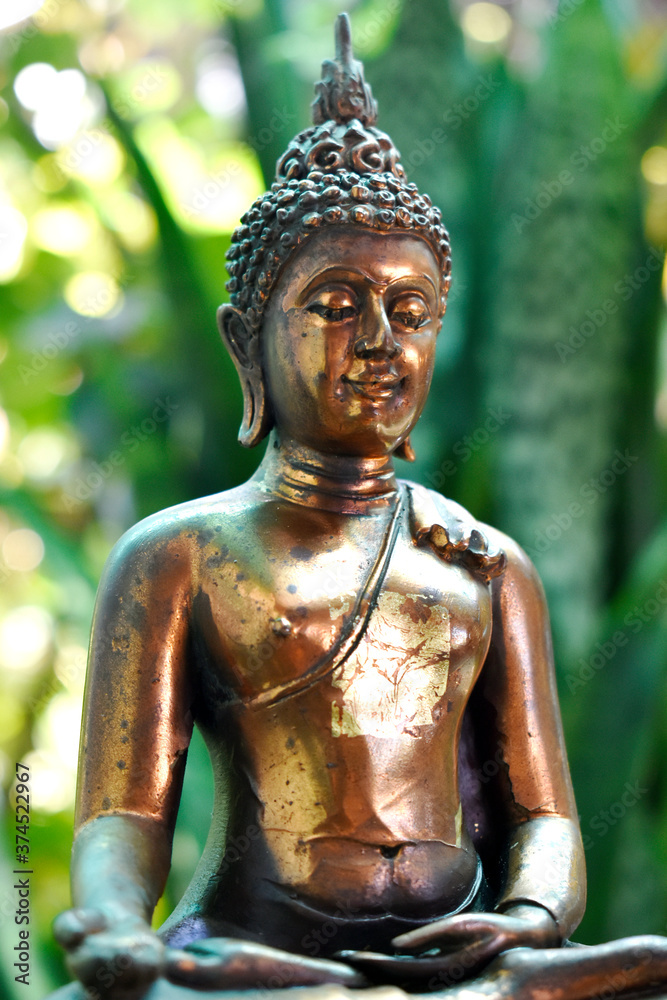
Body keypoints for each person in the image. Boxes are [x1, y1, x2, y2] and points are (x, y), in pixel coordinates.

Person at [53, 16, 667, 1000]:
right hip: (247, 954)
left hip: (463, 955)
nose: (382, 339)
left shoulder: (482, 564)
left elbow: (544, 817)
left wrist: (524, 916)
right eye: (337, 305)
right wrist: (120, 924)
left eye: (411, 310)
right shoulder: (179, 555)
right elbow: (122, 814)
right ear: (247, 342)